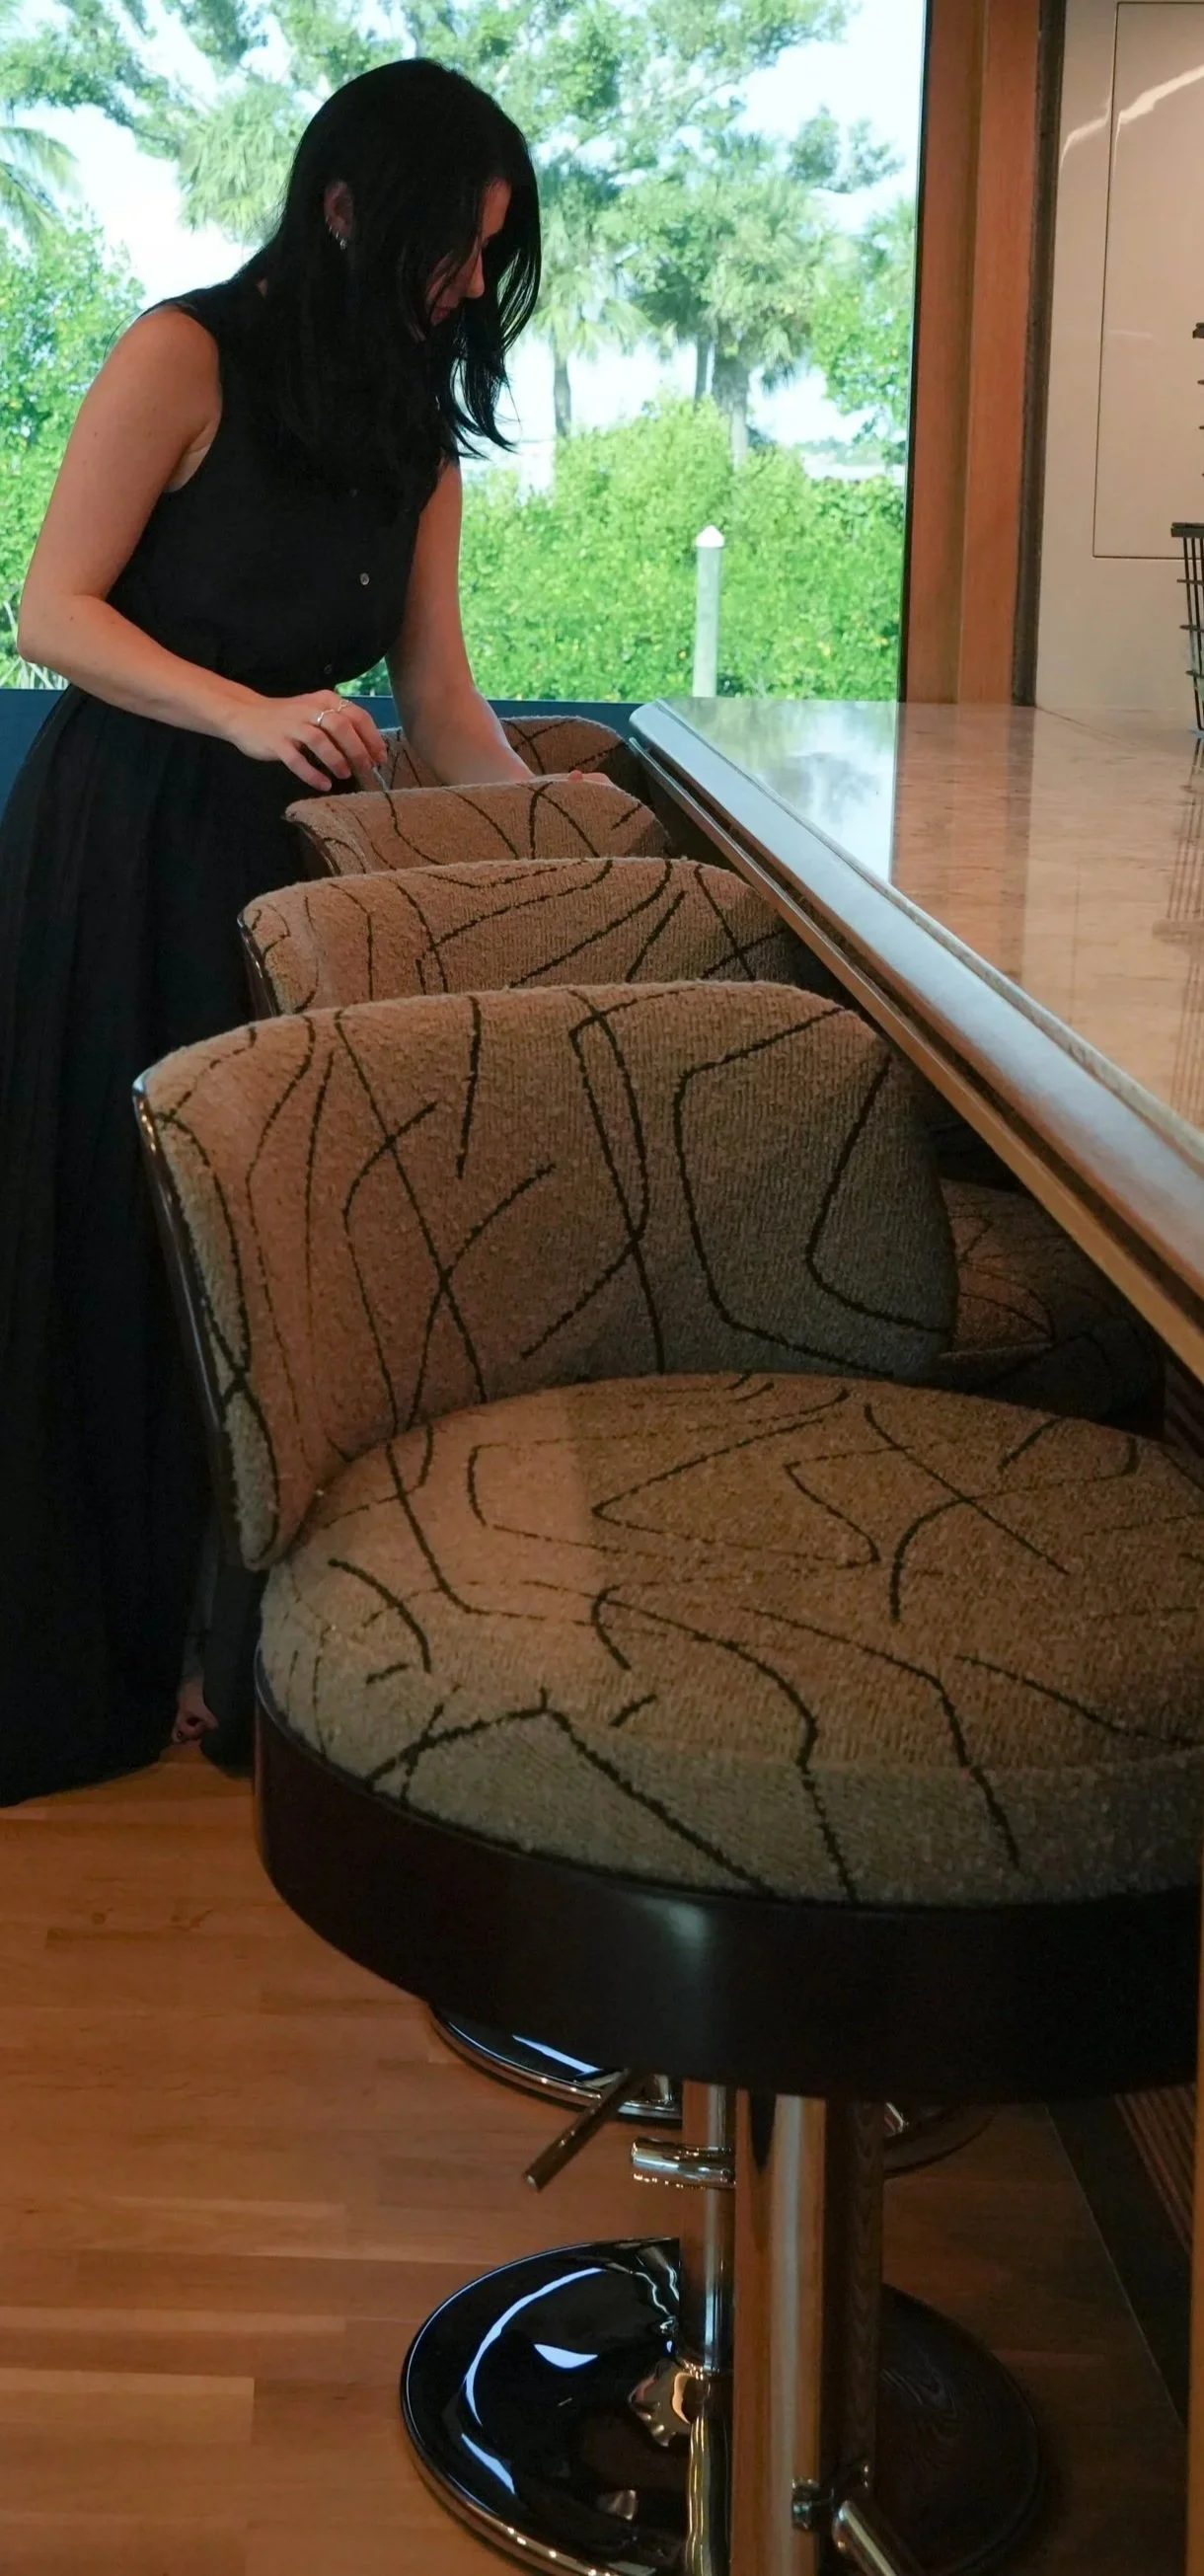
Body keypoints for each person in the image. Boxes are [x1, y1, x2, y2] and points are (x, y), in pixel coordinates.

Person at [0, 58, 542, 1802]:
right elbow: (51, 610)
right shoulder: (184, 353)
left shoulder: (412, 442)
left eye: (487, 262)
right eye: (449, 252)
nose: (465, 289)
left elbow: (441, 704)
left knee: (254, 1261)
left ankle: (221, 1645)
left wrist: (562, 860)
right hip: (120, 846)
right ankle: (109, 1636)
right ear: (342, 210)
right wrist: (240, 709)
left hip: (284, 890)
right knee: (104, 1238)